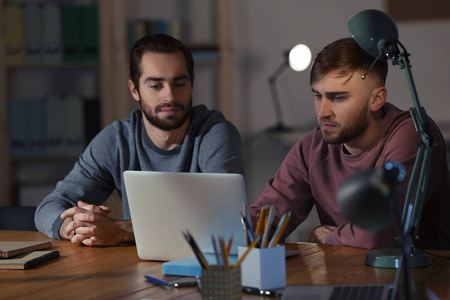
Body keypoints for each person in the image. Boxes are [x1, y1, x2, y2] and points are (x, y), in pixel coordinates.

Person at [35, 34, 245, 246]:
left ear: (192, 84)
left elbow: (221, 220)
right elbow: (50, 206)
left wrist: (121, 230)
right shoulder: (117, 140)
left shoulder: (215, 134)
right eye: (156, 85)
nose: (170, 96)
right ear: (135, 90)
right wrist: (75, 225)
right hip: (135, 269)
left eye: (179, 84)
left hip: (203, 268)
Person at [250, 37, 450, 250]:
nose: (322, 112)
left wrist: (330, 238)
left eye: (338, 98)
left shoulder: (412, 135)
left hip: (421, 278)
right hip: (348, 275)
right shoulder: (312, 148)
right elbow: (266, 216)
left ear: (377, 99)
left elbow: (381, 234)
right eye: (318, 96)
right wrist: (230, 232)